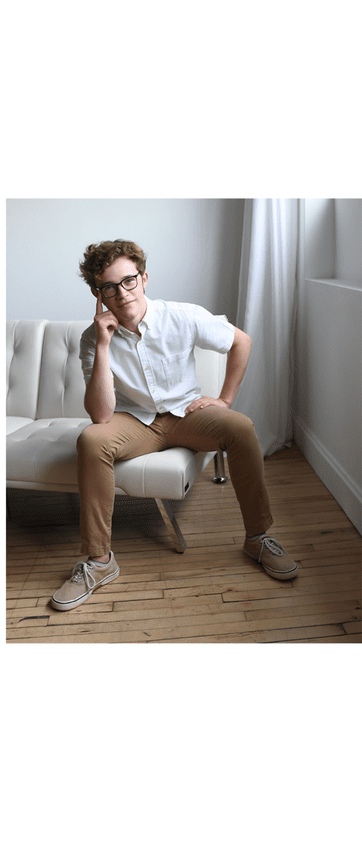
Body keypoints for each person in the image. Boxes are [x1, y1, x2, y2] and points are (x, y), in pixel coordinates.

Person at [52, 239, 297, 611]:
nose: (122, 293)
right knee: (91, 439)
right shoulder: (92, 338)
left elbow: (241, 342)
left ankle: (258, 538)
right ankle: (100, 561)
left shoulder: (181, 315)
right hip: (136, 422)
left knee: (242, 427)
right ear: (97, 293)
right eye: (109, 286)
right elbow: (101, 416)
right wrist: (103, 345)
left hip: (188, 416)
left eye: (129, 280)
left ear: (144, 278)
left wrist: (225, 400)